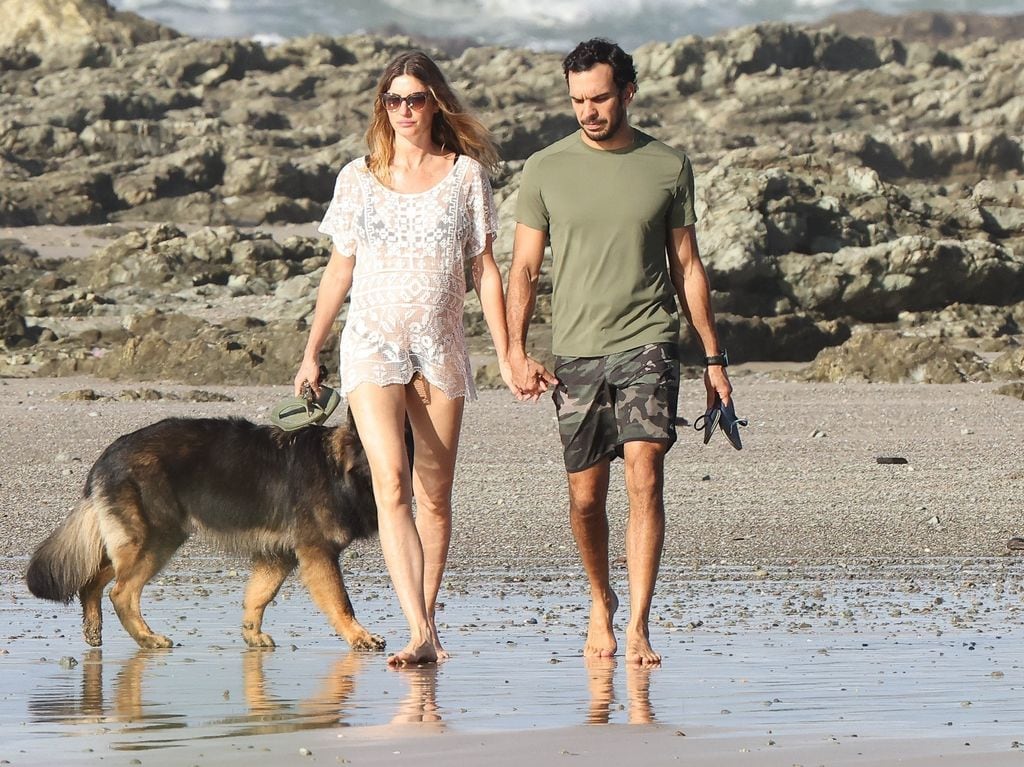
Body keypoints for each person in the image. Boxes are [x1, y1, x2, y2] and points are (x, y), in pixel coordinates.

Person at [505, 38, 733, 665]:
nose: (589, 111)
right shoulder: (545, 168)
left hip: (647, 340)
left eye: (600, 97)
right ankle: (599, 601)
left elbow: (687, 266)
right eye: (578, 99)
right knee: (585, 497)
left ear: (628, 91)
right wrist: (516, 351)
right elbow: (523, 269)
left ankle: (637, 624)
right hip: (576, 351)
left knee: (646, 472)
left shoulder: (669, 166)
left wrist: (713, 357)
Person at [295, 50, 511, 666]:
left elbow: (485, 270)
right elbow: (341, 267)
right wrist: (312, 351)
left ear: (435, 102)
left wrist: (508, 351)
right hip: (372, 343)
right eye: (395, 100)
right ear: (382, 107)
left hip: (440, 348)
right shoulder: (357, 177)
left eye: (416, 98)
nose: (406, 110)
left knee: (434, 493)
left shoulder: (466, 175)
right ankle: (419, 631)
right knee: (389, 483)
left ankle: (427, 615)